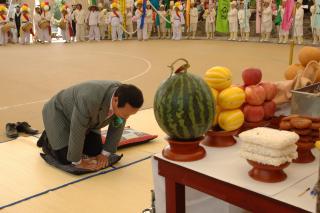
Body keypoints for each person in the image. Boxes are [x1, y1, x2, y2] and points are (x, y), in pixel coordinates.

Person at [38, 81, 144, 171]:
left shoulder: (123, 97)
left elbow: (116, 127)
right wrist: (78, 161)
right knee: (66, 159)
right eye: (126, 114)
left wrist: (104, 154)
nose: (127, 117)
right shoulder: (89, 98)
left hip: (87, 121)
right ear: (115, 100)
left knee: (95, 151)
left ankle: (61, 138)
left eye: (130, 114)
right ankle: (48, 138)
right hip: (59, 113)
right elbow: (77, 129)